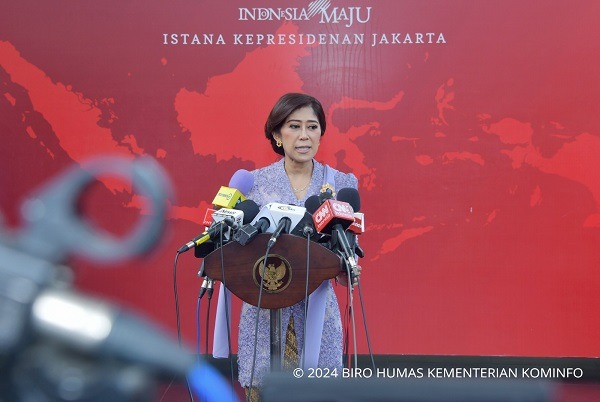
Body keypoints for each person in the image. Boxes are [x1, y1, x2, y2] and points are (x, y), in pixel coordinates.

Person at [236, 93, 360, 400]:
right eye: (294, 126)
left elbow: (347, 254)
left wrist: (347, 268)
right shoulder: (252, 184)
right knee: (262, 390)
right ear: (277, 134)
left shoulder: (341, 183)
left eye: (312, 127)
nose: (304, 135)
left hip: (318, 306)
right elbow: (238, 251)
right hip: (264, 307)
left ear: (320, 133)